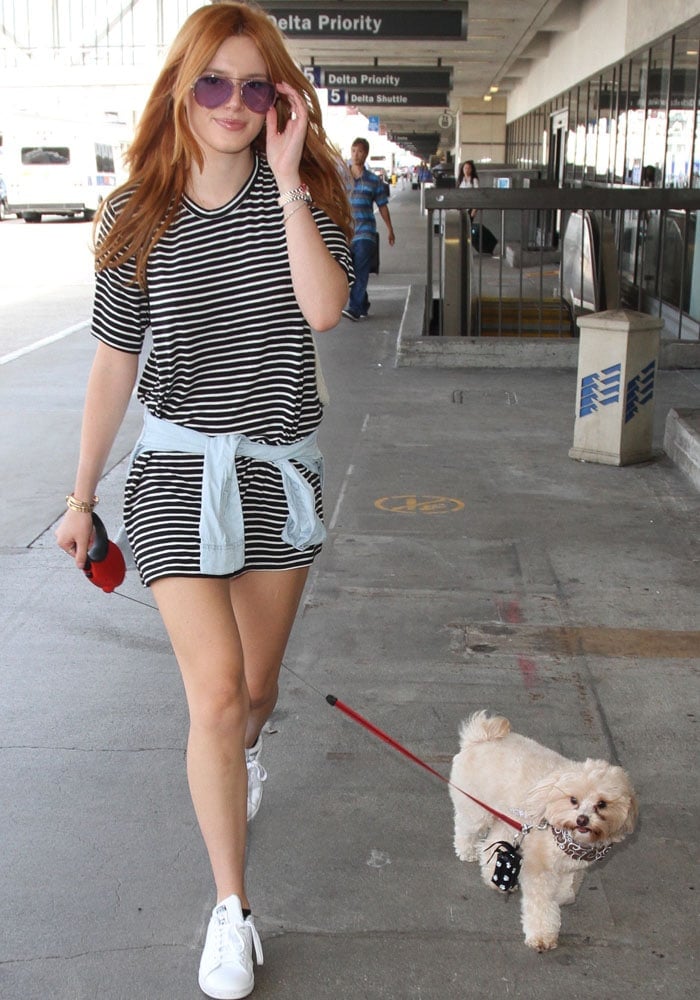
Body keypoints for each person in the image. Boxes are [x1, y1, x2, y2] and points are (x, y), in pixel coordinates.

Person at [55, 3, 352, 998]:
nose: (232, 102)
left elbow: (322, 310)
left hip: (277, 474)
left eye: (253, 85)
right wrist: (80, 491)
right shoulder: (134, 210)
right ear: (183, 90)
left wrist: (281, 187)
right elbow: (112, 365)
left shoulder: (302, 201)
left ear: (279, 101)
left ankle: (240, 753)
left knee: (253, 697)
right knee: (215, 693)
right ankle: (233, 910)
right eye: (212, 83)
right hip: (175, 474)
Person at [342, 137, 395, 321]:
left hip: (366, 232)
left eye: (360, 151)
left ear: (366, 154)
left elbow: (382, 206)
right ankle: (363, 303)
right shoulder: (342, 178)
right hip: (346, 232)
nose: (356, 155)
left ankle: (355, 308)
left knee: (361, 269)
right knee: (349, 271)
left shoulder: (373, 180)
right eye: (354, 150)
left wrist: (390, 229)